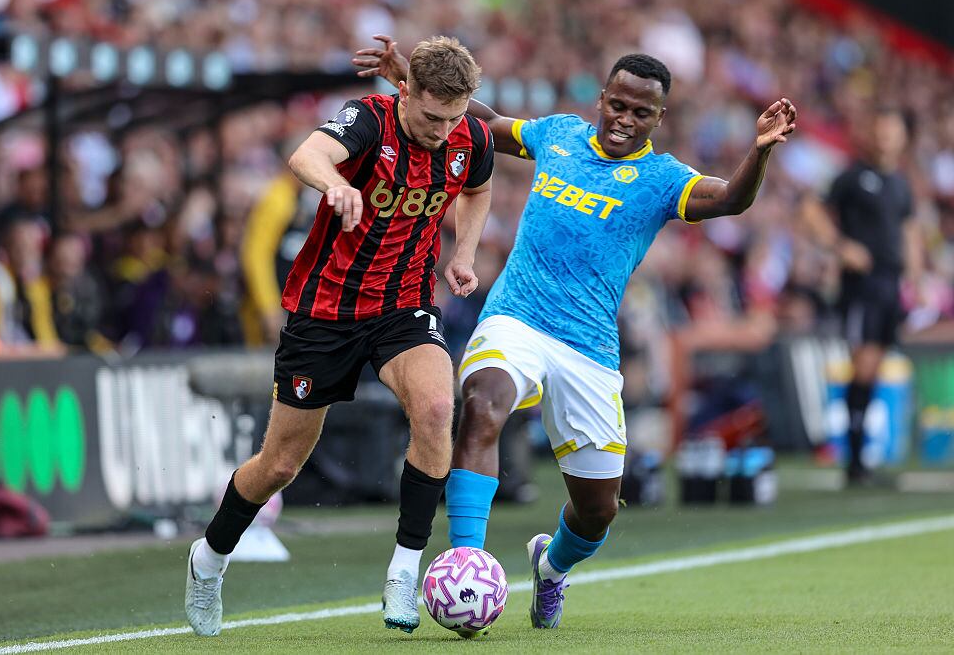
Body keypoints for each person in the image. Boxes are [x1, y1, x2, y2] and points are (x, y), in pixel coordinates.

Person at [355, 35, 796, 628]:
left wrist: (760, 152)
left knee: (597, 512)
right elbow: (480, 120)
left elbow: (729, 200)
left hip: (588, 348)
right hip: (517, 318)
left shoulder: (664, 179)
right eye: (618, 103)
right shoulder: (558, 135)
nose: (625, 118)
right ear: (603, 99)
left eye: (641, 112)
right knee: (482, 404)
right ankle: (466, 560)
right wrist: (408, 77)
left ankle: (551, 567)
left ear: (658, 118)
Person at [185, 36, 494, 637]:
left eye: (454, 118)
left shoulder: (468, 138)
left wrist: (465, 251)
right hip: (324, 310)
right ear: (404, 92)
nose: (442, 131)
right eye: (432, 117)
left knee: (436, 406)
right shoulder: (368, 119)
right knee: (279, 465)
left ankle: (405, 569)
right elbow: (306, 154)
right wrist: (336, 182)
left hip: (403, 306)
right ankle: (209, 559)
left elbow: (479, 189)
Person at [801, 107, 921, 485]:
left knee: (877, 362)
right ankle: (855, 457)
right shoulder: (852, 177)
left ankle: (858, 456)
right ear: (871, 135)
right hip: (862, 285)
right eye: (881, 131)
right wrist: (840, 246)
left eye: (892, 132)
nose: (886, 139)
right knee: (864, 363)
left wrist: (915, 274)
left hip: (890, 284)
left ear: (902, 138)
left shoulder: (900, 183)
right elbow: (811, 209)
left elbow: (909, 229)